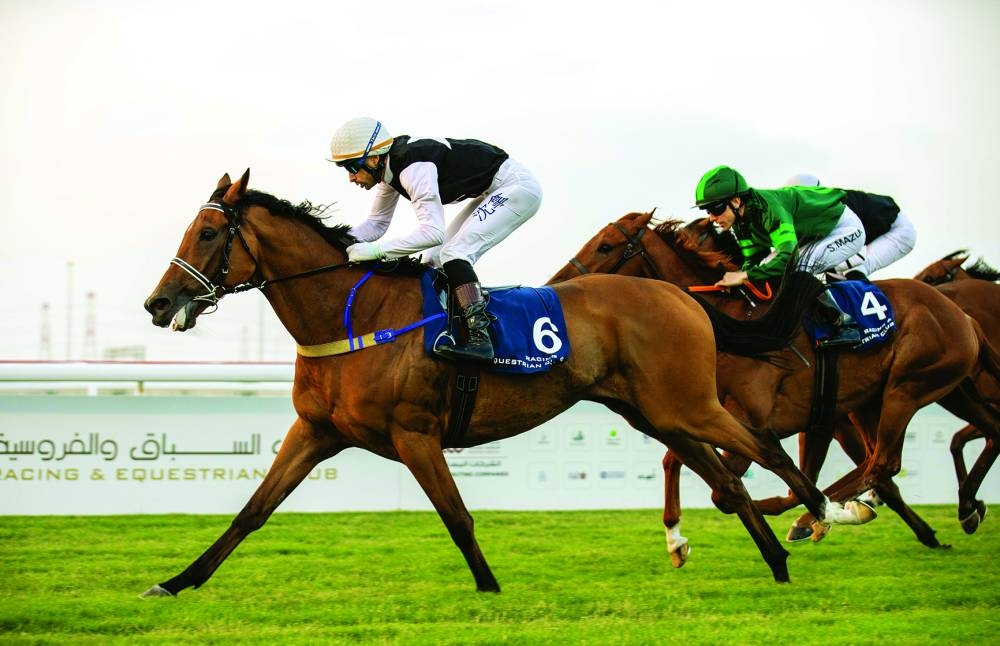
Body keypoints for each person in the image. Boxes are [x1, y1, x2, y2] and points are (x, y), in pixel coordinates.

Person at [328, 117, 543, 362]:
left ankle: (480, 337)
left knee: (455, 253)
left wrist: (376, 251)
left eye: (351, 167)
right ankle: (450, 327)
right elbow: (376, 224)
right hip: (492, 188)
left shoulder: (412, 168)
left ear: (374, 158)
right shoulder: (390, 171)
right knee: (434, 259)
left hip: (516, 187)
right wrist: (331, 243)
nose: (350, 178)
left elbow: (433, 232)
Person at [694, 165, 867, 348]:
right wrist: (738, 280)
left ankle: (846, 324)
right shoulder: (740, 223)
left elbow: (788, 256)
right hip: (816, 233)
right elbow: (754, 260)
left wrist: (744, 276)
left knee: (800, 267)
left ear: (736, 201)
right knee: (774, 268)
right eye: (707, 211)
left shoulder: (769, 208)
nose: (712, 217)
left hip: (844, 228)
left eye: (716, 208)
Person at [784, 173, 916, 280]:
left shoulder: (840, 206)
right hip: (875, 229)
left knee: (854, 268)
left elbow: (889, 207)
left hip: (898, 231)